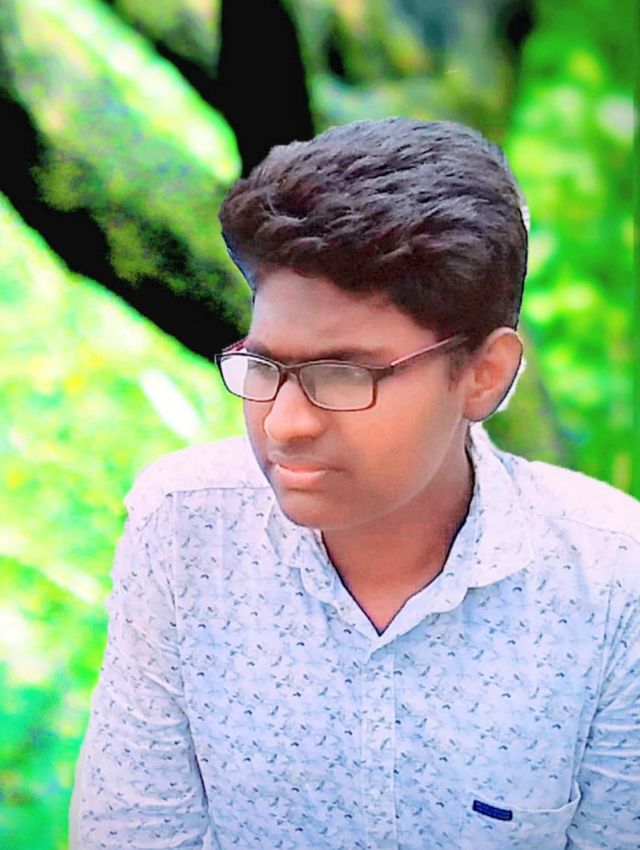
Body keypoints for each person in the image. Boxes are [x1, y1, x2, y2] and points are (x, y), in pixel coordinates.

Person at [69, 118, 639, 849]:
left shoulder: (612, 579)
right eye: (264, 367)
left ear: (484, 374)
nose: (284, 423)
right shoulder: (184, 529)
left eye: (343, 375)